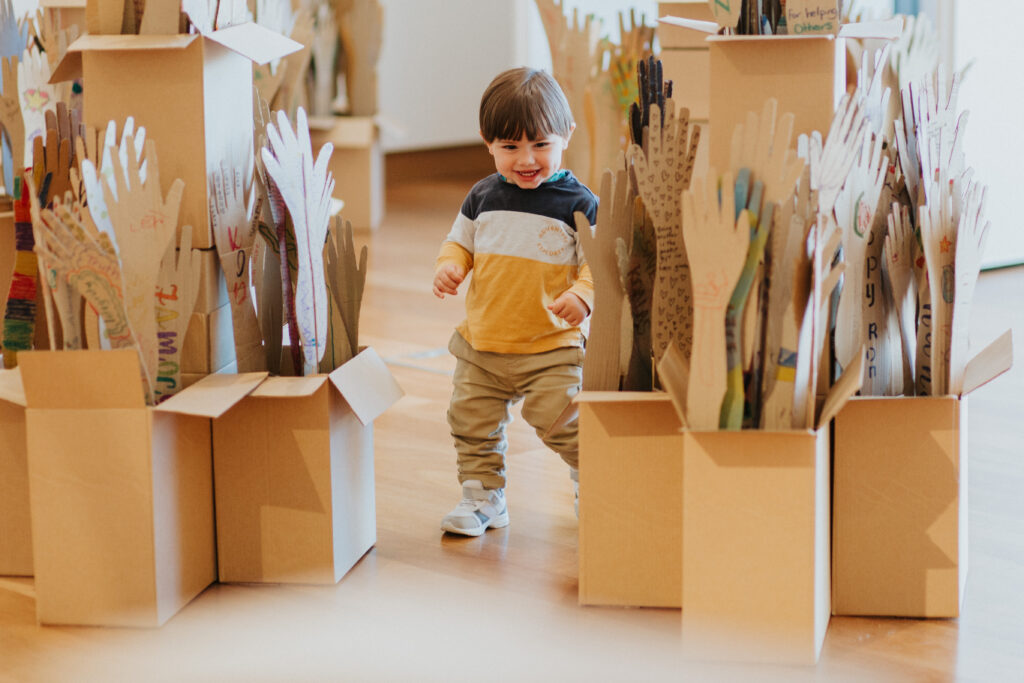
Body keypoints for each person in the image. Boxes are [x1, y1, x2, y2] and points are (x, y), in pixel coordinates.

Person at [432, 67, 598, 537]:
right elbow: (458, 243)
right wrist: (451, 267)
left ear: (567, 135)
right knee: (470, 421)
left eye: (541, 145)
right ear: (487, 142)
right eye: (510, 148)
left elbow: (600, 265)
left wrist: (582, 295)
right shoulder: (482, 197)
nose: (526, 159)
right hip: (483, 345)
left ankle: (597, 480)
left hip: (551, 346)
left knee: (566, 422)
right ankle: (483, 497)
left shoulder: (578, 203)